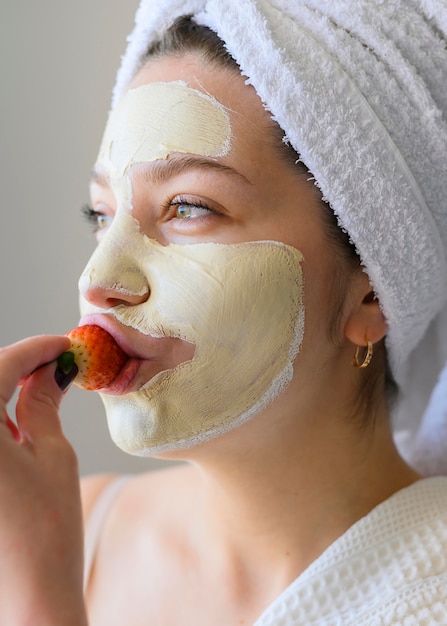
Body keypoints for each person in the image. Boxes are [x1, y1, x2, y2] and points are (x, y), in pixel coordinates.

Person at [1, 1, 447, 624]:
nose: (98, 281)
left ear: (373, 292)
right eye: (102, 217)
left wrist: (38, 597)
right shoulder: (79, 527)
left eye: (187, 207)